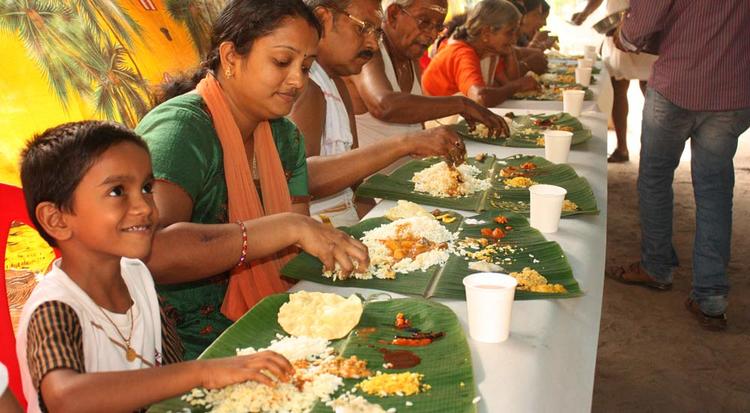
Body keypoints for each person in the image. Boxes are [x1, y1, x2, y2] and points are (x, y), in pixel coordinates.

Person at [135, 0, 369, 359]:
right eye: (281, 62)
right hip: (187, 347)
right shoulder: (182, 132)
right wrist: (284, 227)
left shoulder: (283, 138)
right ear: (230, 57)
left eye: (306, 67)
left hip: (272, 321)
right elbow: (151, 251)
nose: (297, 80)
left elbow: (295, 246)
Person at [16, 121, 295, 412]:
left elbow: (171, 363)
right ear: (56, 219)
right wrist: (203, 372)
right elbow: (65, 397)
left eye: (147, 188)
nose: (145, 207)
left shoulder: (136, 273)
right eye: (117, 191)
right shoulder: (54, 307)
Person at [606, 0, 750, 330]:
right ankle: (711, 295)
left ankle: (656, 266)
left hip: (679, 86)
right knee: (715, 191)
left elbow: (636, 32)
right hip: (734, 91)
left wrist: (623, 35)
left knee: (655, 178)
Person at [289, 0, 470, 226]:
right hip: (324, 233)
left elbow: (356, 186)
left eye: (376, 32)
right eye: (363, 28)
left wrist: (379, 225)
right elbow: (301, 179)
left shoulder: (338, 87)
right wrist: (405, 143)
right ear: (323, 20)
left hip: (348, 224)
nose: (373, 44)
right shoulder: (305, 88)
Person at [343, 0, 508, 151]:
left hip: (409, 173)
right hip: (376, 179)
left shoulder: (409, 55)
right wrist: (461, 104)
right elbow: (383, 105)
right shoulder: (370, 49)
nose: (432, 35)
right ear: (393, 15)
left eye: (438, 27)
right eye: (424, 22)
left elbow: (416, 125)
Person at [571, 0, 657, 162]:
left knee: (647, 93)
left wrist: (585, 14)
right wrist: (585, 13)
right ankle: (638, 150)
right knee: (644, 93)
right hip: (631, 27)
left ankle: (636, 149)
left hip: (637, 26)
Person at [421, 0, 538, 107]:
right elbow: (480, 98)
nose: (514, 40)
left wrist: (509, 51)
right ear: (486, 33)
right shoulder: (462, 53)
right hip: (440, 121)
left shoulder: (489, 52)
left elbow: (508, 83)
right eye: (509, 32)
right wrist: (517, 86)